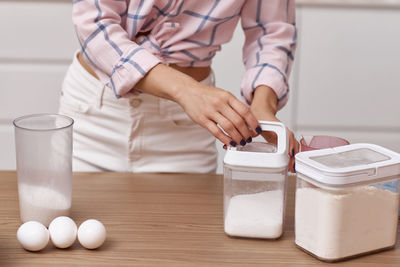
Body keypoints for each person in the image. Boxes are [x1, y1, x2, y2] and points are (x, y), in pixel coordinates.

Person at [59, 0, 299, 173]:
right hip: (94, 116)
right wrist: (186, 90)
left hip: (184, 129)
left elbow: (272, 33)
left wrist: (262, 106)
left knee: (186, 236)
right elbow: (94, 22)